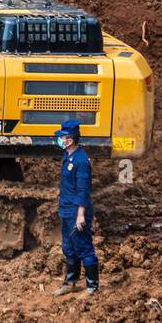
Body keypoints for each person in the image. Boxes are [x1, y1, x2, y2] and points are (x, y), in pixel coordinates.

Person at [53, 119, 98, 296]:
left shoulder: (81, 161)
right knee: (68, 246)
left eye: (62, 137)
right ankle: (70, 282)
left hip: (76, 211)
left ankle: (92, 286)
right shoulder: (68, 156)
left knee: (83, 247)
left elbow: (83, 190)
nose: (60, 140)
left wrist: (80, 215)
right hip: (66, 209)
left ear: (70, 140)